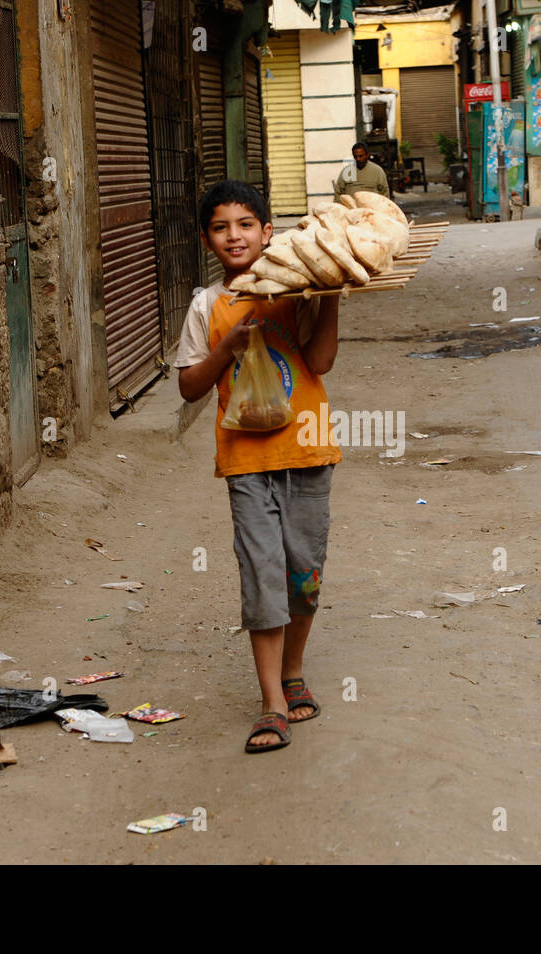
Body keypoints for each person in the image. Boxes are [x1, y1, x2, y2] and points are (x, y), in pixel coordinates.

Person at [175, 180, 342, 754]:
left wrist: (333, 294)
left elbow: (318, 361)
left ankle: (293, 670)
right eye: (221, 228)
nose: (234, 236)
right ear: (207, 240)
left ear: (268, 231)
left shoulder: (297, 291)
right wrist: (228, 347)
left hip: (308, 451)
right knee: (262, 576)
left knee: (304, 576)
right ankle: (272, 701)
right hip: (246, 462)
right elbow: (191, 386)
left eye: (245, 224)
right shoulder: (207, 306)